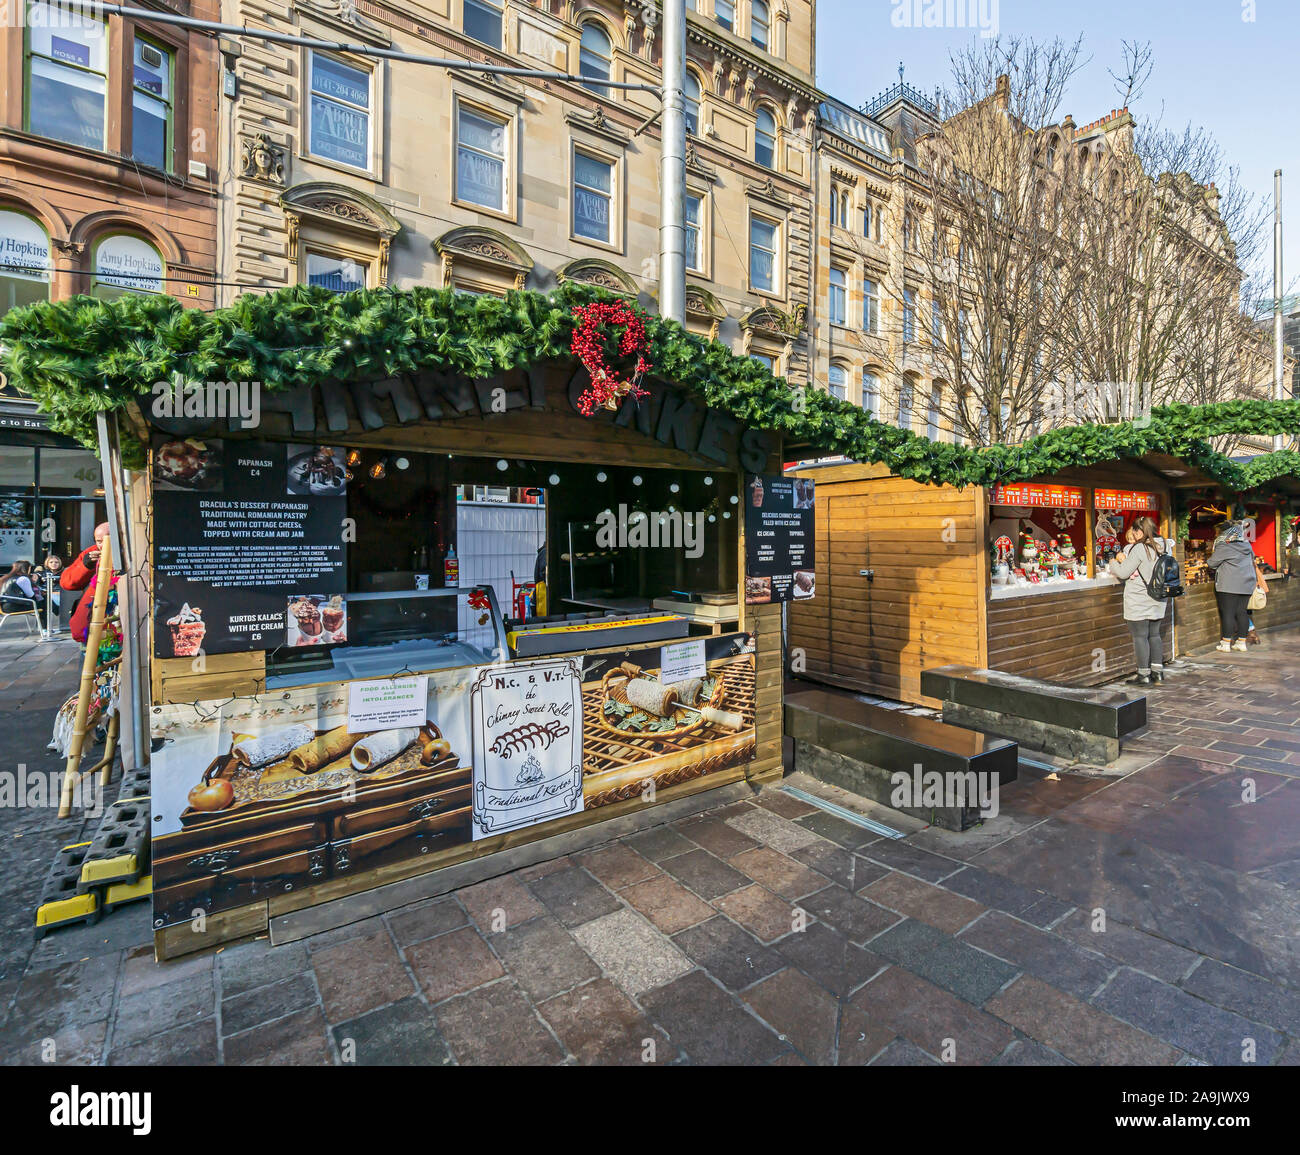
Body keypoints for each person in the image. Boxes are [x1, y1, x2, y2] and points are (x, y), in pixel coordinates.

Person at [1110, 516, 1170, 685]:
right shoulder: (1164, 545)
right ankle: (1157, 672)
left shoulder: (1139, 548)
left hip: (1139, 598)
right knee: (1155, 634)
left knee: (1140, 636)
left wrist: (1113, 562)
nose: (1134, 535)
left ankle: (1143, 674)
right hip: (1158, 597)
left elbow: (1123, 572)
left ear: (1139, 531)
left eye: (1135, 531)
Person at [1206, 521, 1257, 652]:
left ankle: (1226, 643)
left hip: (1229, 585)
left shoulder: (1224, 546)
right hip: (1247, 583)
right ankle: (1241, 642)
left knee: (1228, 613)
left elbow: (1211, 563)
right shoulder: (1247, 545)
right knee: (1242, 612)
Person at [60, 523, 113, 644]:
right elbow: (66, 582)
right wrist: (85, 566)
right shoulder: (91, 552)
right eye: (99, 541)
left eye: (108, 538)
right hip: (89, 631)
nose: (104, 544)